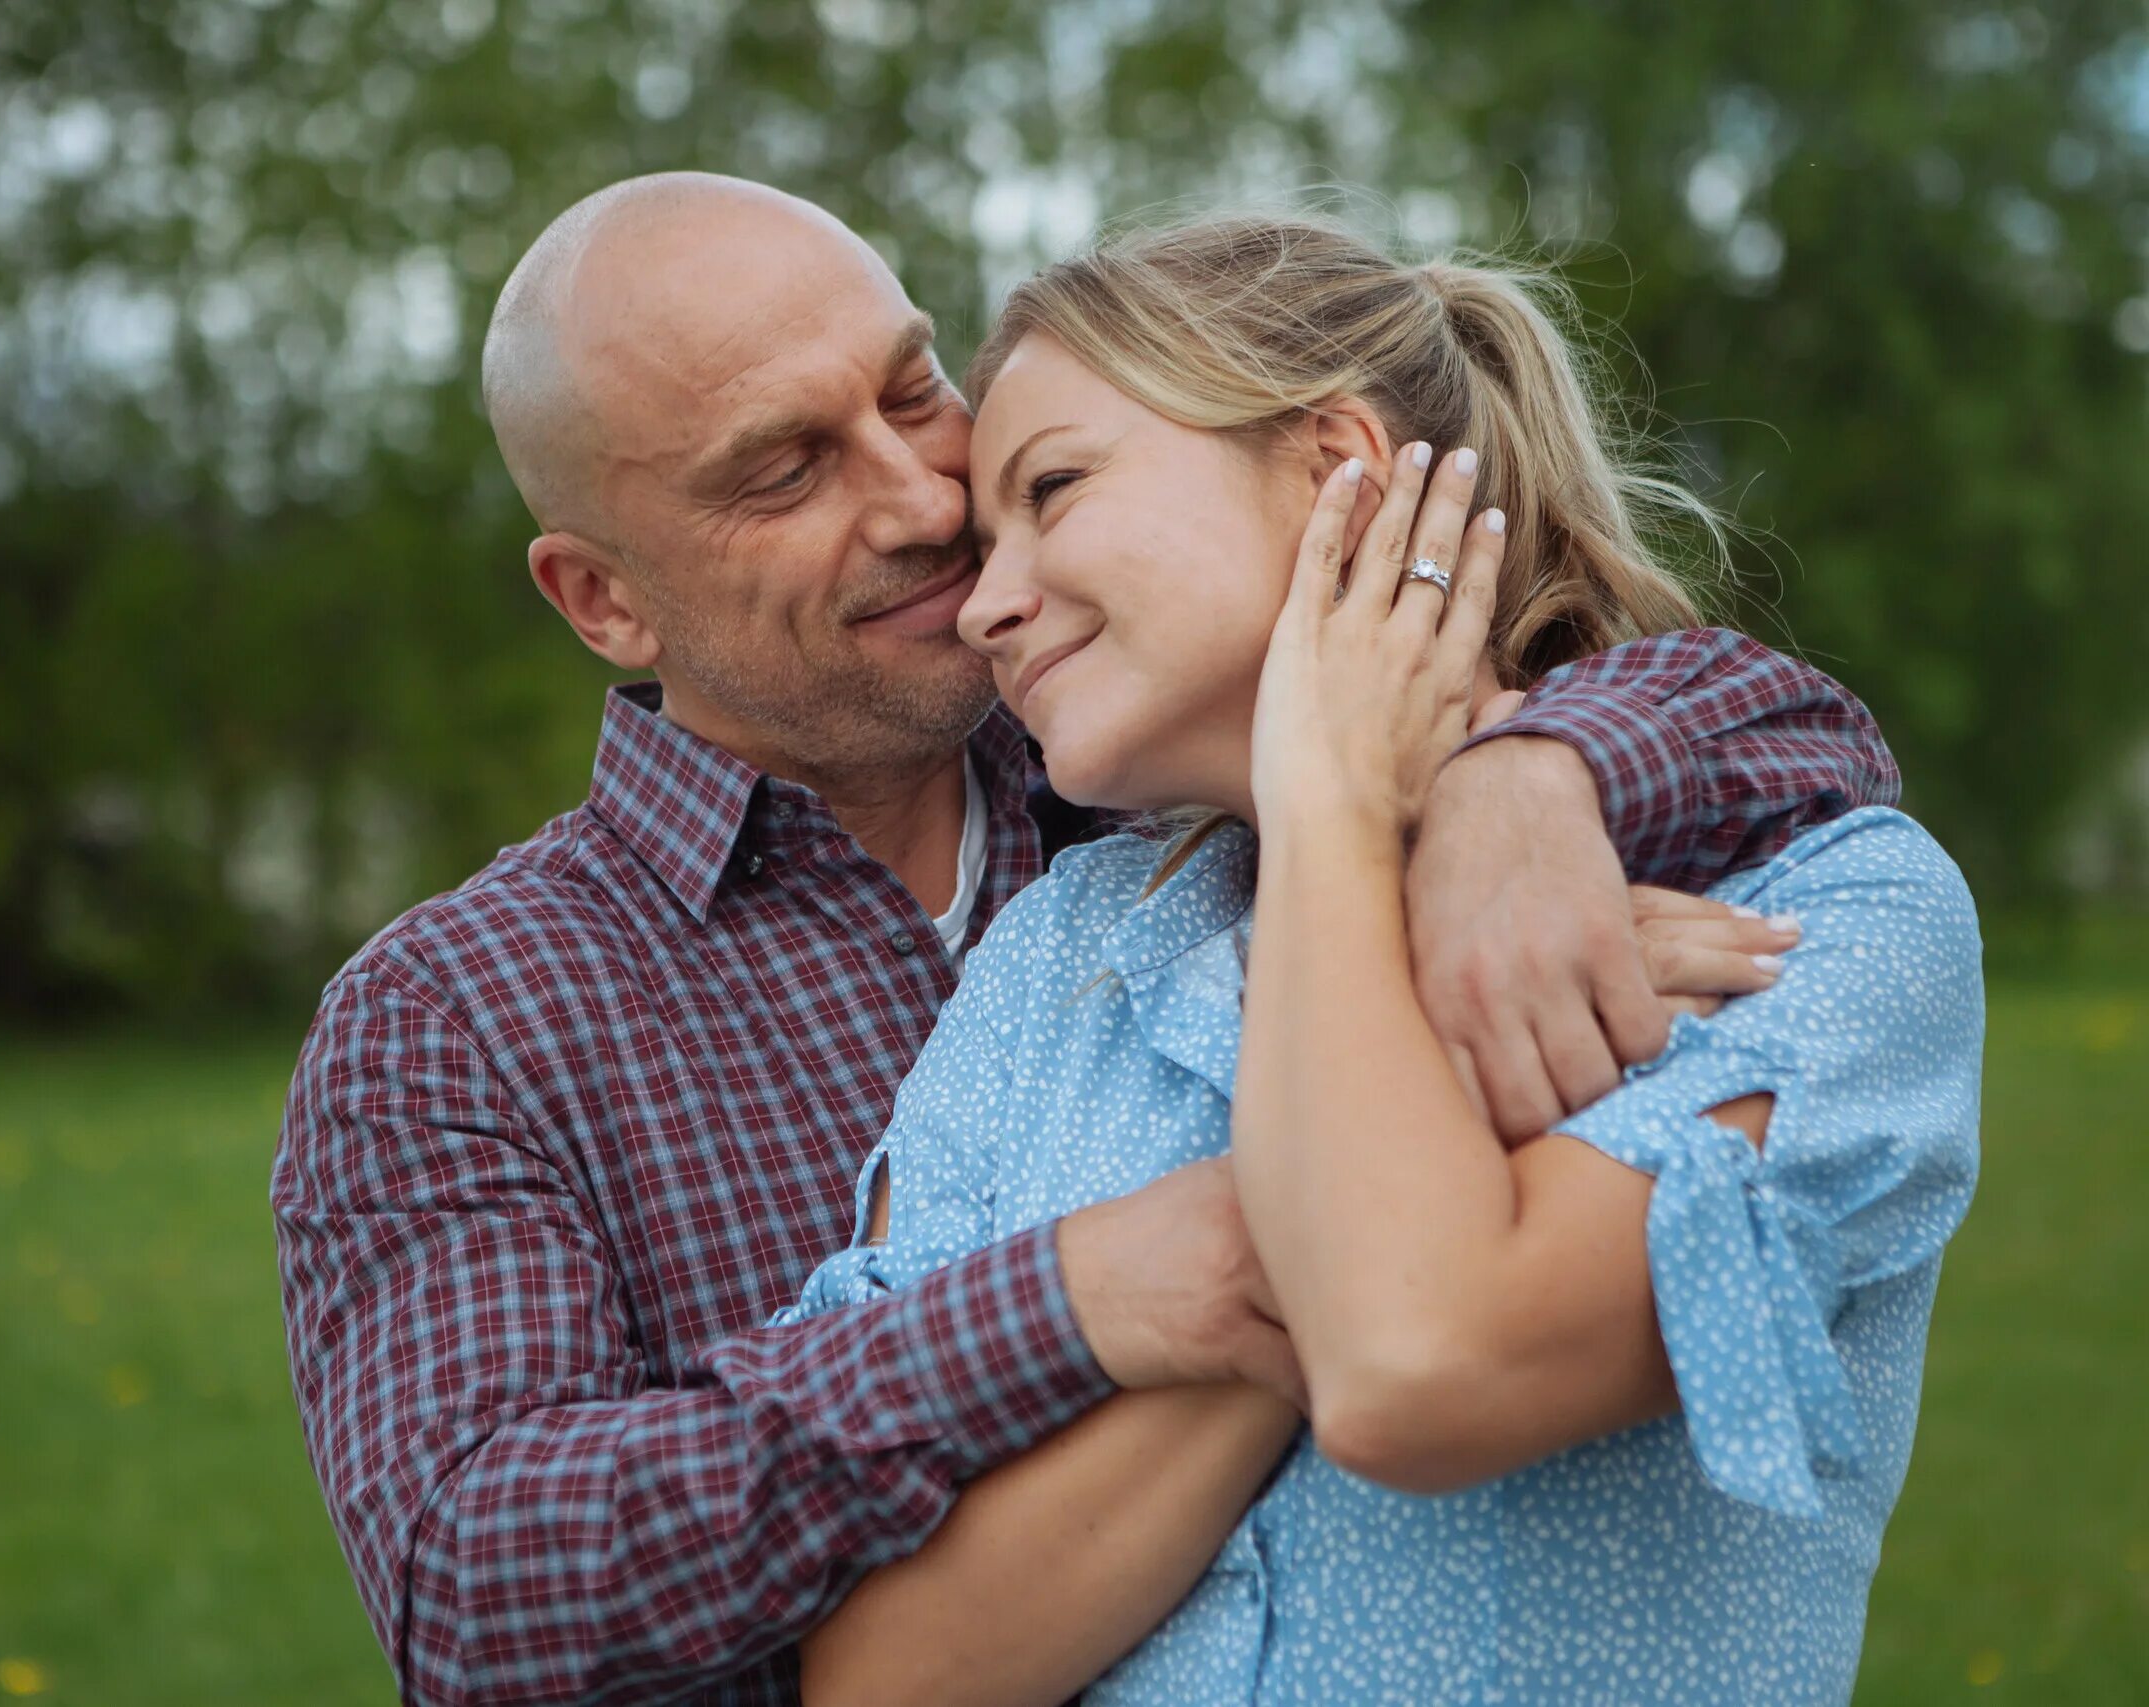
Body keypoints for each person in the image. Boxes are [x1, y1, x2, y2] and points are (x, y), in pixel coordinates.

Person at [272, 173, 1904, 1707]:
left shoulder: (1141, 786)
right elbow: (473, 1585)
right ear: (605, 602)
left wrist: (1534, 776)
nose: (928, 504)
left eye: (916, 392)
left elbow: (1788, 748)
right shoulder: (461, 1012)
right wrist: (1089, 1293)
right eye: (786, 470)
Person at [783, 214, 1981, 1706]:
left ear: (1340, 466)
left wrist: (1341, 805)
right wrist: (1381, 1082)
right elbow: (877, 1677)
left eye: (1056, 490)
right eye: (985, 542)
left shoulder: (1825, 902)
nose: (982, 604)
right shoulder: (1055, 963)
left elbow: (1420, 1363)